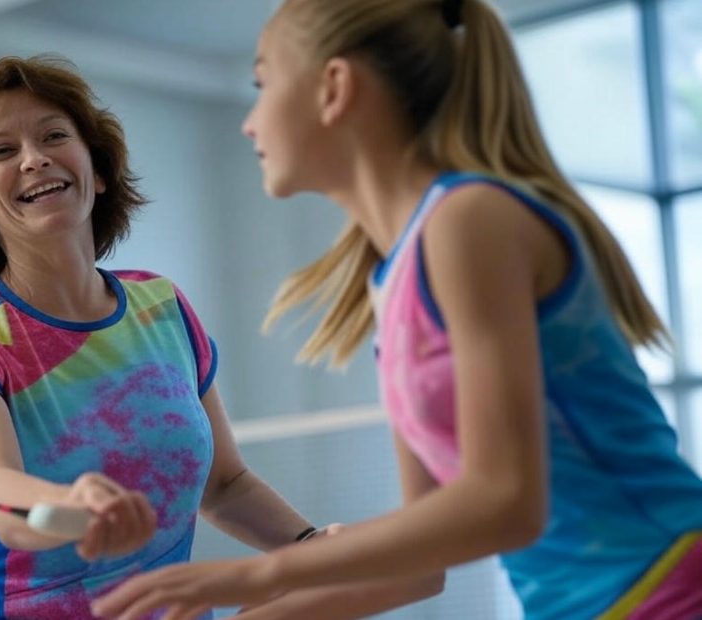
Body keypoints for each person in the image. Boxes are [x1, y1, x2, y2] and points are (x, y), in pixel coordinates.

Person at [91, 0, 702, 619]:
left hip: (671, 584)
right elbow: (417, 568)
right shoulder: (394, 281)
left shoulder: (470, 221)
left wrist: (257, 573)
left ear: (334, 88)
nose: (250, 124)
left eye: (263, 84)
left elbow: (507, 502)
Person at [0, 55, 321, 620]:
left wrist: (314, 549)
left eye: (54, 136)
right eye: (2, 151)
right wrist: (69, 505)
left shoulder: (162, 307)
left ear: (98, 171)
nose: (34, 159)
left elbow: (225, 486)